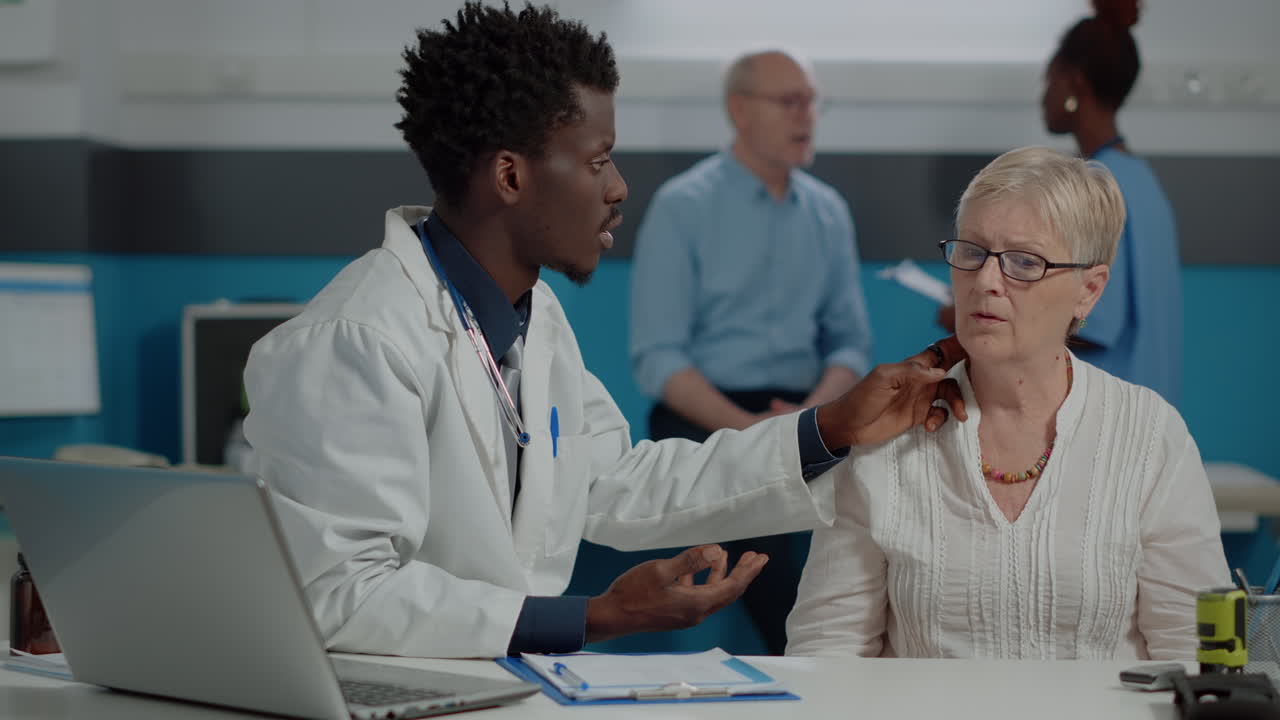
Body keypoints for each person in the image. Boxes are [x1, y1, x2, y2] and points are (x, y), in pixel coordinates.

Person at [243, 2, 964, 660]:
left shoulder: (532, 316)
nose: (617, 187)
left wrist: (832, 426)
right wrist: (592, 618)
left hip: (498, 682)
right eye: (596, 161)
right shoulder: (356, 339)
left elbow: (614, 481)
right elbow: (341, 596)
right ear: (510, 177)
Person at [786, 147, 1229, 660]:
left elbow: (1198, 657)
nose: (986, 281)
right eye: (972, 252)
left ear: (1088, 290)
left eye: (1025, 262)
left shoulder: (1148, 435)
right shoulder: (887, 430)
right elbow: (826, 650)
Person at [628, 49, 871, 655]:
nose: (807, 115)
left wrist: (809, 417)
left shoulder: (828, 212)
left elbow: (850, 345)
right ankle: (808, 660)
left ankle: (823, 655)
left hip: (804, 408)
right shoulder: (683, 206)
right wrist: (753, 434)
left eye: (812, 101)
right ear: (739, 110)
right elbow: (659, 359)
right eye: (790, 101)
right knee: (766, 515)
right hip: (706, 414)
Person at [939, 0, 1181, 406]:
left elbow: (1092, 322)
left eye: (1049, 81)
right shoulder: (1144, 182)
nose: (1044, 97)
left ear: (1075, 83)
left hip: (1101, 414)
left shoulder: (1100, 190)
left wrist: (976, 317)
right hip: (1150, 403)